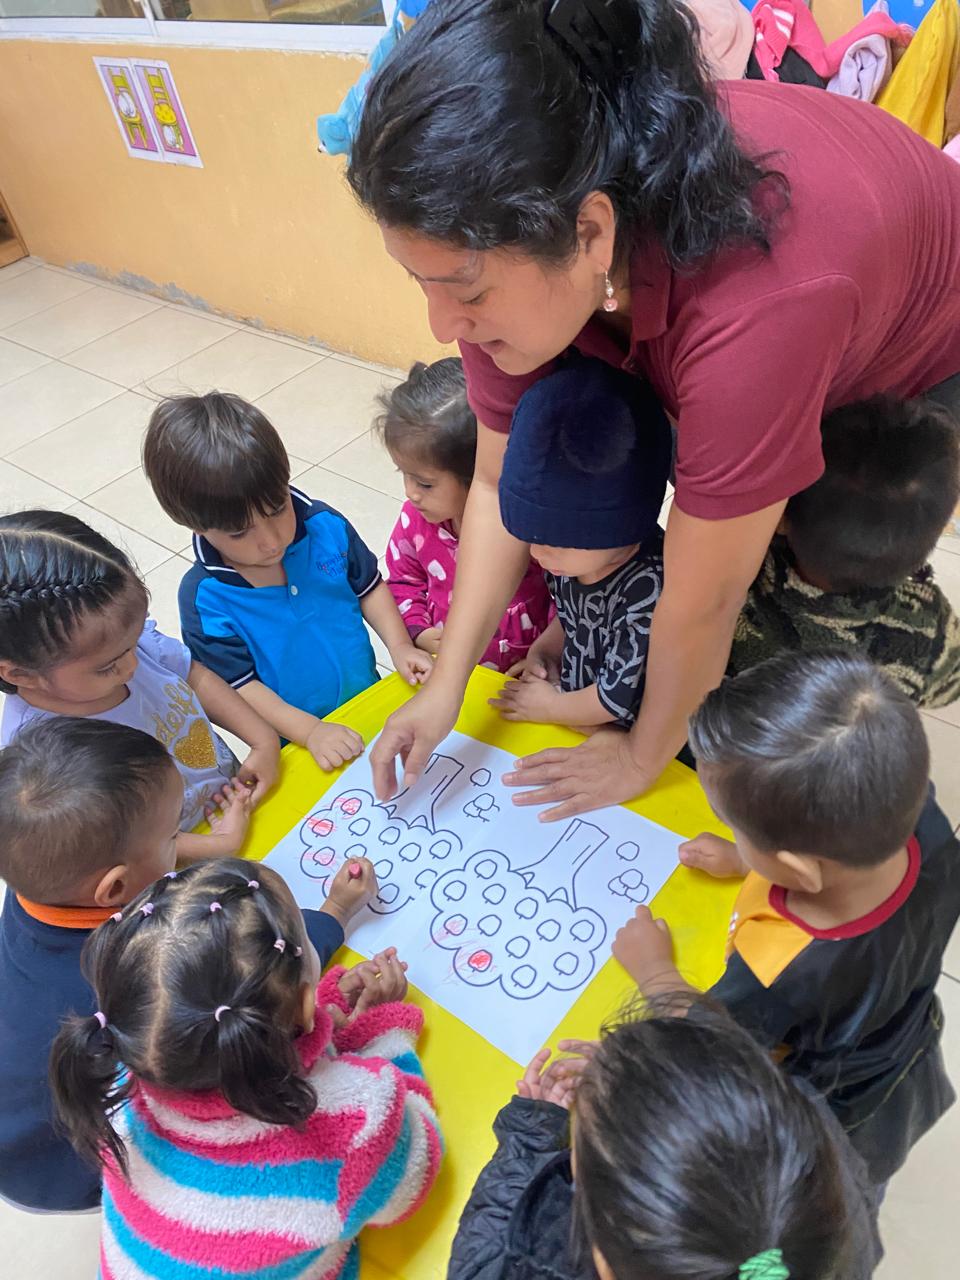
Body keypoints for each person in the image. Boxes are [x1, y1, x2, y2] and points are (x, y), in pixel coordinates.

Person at [346, 0, 960, 820]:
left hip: (919, 336)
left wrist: (642, 755)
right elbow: (492, 481)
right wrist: (447, 686)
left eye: (467, 290)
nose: (440, 326)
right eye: (420, 282)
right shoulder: (536, 220)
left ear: (592, 232)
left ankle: (865, 805)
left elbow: (705, 598)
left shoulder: (755, 313)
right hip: (788, 298)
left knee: (813, 590)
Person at [612, 651, 960, 1186]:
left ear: (798, 869)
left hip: (831, 1101)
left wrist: (654, 968)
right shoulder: (922, 823)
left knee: (844, 1187)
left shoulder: (780, 968)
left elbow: (712, 1040)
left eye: (736, 827)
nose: (734, 834)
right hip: (904, 1035)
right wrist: (745, 857)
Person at [50, 858, 441, 1280]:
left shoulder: (124, 1078)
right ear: (304, 1005)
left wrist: (323, 1016)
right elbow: (414, 1176)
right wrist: (381, 1031)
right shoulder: (354, 1123)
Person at [448, 997, 881, 1280]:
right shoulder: (819, 1221)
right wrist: (641, 1081)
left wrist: (530, 1137)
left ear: (604, 1262)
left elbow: (478, 1261)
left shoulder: (539, 1259)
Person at [143, 392, 432, 773]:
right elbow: (240, 686)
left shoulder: (325, 526)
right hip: (297, 742)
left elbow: (370, 588)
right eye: (240, 532)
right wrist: (310, 732)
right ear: (194, 525)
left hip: (370, 697)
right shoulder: (206, 599)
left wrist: (399, 645)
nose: (271, 541)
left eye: (278, 509)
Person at [0, 510, 279, 860]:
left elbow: (193, 675)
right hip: (173, 863)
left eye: (134, 643)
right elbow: (115, 841)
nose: (133, 665)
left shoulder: (120, 644)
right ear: (21, 674)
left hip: (234, 804)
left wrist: (263, 740)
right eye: (108, 667)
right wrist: (218, 845)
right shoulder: (39, 758)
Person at [0, 718, 183, 1212]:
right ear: (114, 889)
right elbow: (247, 980)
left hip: (15, 1128)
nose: (181, 844)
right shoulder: (136, 966)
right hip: (65, 1167)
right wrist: (329, 918)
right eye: (174, 835)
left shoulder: (37, 886)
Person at [729, 395, 960, 709]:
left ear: (783, 519)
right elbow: (949, 687)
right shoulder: (929, 629)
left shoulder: (741, 581)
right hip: (843, 735)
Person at [490, 355, 671, 730]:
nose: (538, 554)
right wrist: (546, 649)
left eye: (555, 543)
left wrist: (549, 708)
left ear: (623, 527)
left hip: (619, 734)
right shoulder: (569, 560)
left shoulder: (649, 590)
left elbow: (615, 699)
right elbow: (573, 614)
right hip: (574, 709)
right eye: (531, 540)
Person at [376, 357, 553, 674]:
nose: (410, 493)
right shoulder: (415, 521)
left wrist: (545, 655)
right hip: (452, 672)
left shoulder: (524, 528)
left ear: (475, 475)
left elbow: (565, 598)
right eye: (404, 474)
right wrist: (419, 630)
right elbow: (402, 581)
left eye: (425, 483)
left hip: (524, 677)